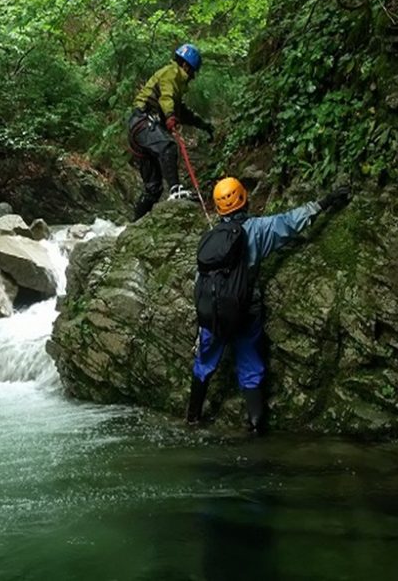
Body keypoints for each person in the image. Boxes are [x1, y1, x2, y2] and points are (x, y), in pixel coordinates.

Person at [187, 177, 351, 434]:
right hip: (245, 309)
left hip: (212, 312)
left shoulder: (210, 238)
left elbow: (200, 279)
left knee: (204, 363)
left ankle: (192, 419)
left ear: (219, 209)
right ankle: (255, 428)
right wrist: (326, 202)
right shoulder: (259, 229)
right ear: (244, 198)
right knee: (250, 366)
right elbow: (291, 221)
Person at [128, 43, 216, 221]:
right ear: (186, 66)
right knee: (167, 147)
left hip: (138, 129)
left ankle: (133, 225)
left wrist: (203, 125)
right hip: (144, 122)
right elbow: (166, 97)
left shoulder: (173, 78)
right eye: (192, 72)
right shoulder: (172, 73)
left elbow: (182, 112)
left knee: (153, 189)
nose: (192, 78)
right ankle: (176, 190)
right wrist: (169, 116)